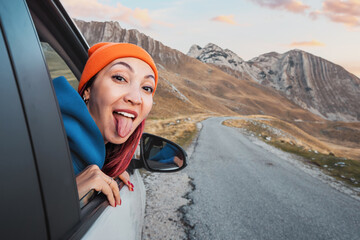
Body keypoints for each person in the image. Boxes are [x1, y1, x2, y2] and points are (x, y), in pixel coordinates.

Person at [53, 42, 158, 207]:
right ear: (88, 90)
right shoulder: (42, 140)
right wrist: (67, 195)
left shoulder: (94, 157)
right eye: (120, 78)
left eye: (146, 88)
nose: (136, 98)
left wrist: (108, 170)